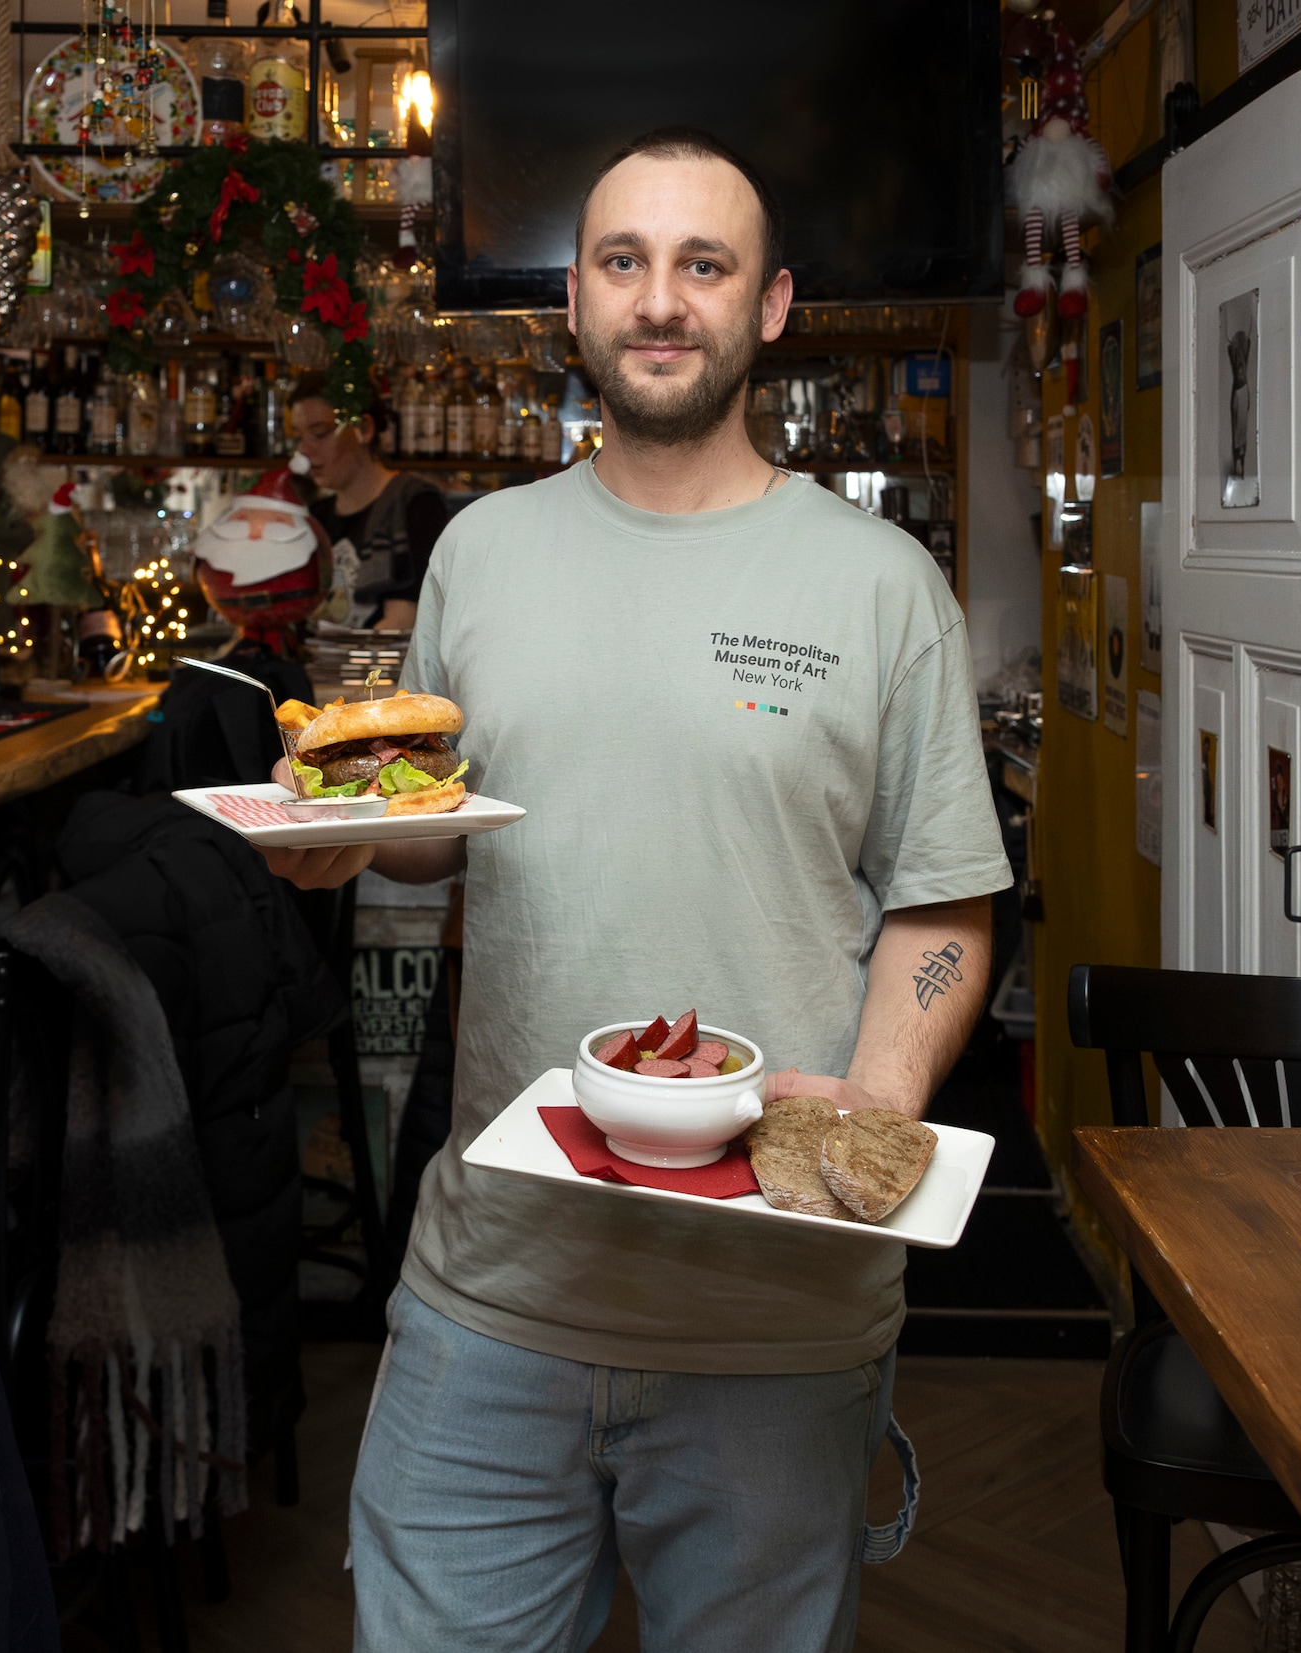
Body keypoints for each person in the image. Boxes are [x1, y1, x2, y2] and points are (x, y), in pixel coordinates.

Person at [259, 128, 1012, 1652]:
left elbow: (940, 908)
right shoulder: (481, 552)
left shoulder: (880, 586)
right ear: (575, 301)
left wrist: (871, 1109)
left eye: (703, 264)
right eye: (624, 262)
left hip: (777, 1309)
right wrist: (345, 837)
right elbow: (431, 826)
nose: (660, 300)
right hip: (493, 1293)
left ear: (774, 304)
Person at [290, 372, 447, 632]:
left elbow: (402, 621)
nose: (304, 451)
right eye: (298, 437)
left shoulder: (416, 504)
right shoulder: (314, 516)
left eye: (319, 433)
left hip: (379, 672)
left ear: (364, 429)